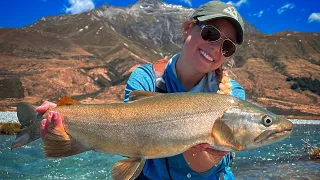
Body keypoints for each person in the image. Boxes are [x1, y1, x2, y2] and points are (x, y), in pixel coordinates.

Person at [37, 1, 246, 179]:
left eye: (227, 47)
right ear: (187, 29)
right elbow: (124, 132)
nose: (216, 48)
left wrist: (200, 151)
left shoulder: (232, 97)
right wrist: (64, 118)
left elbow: (211, 168)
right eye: (211, 33)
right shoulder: (146, 78)